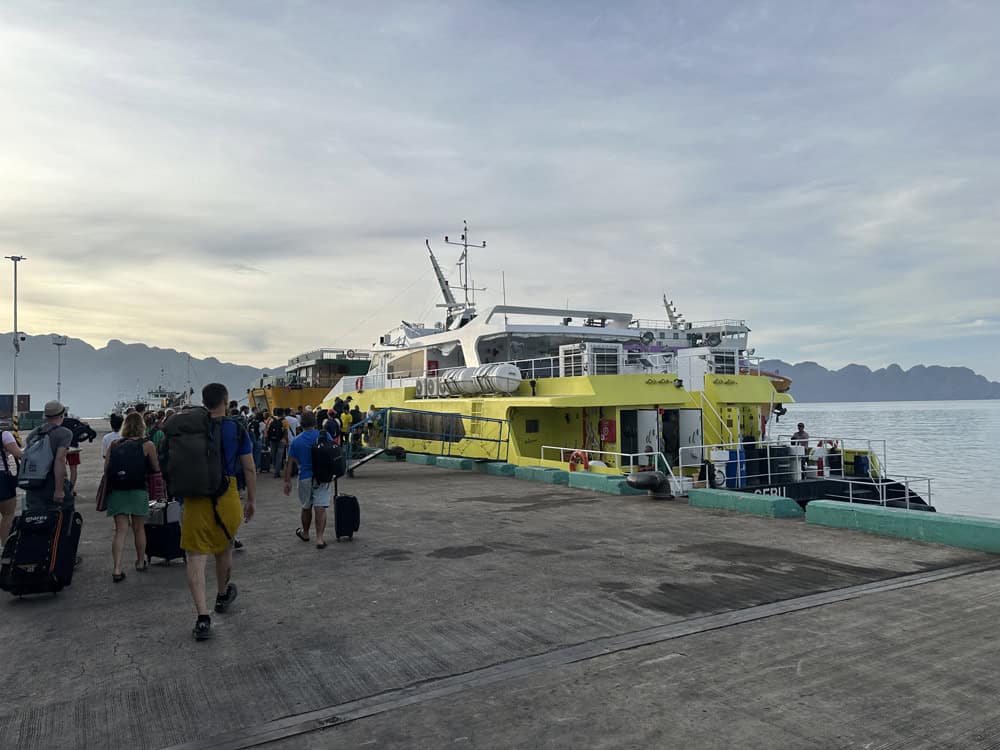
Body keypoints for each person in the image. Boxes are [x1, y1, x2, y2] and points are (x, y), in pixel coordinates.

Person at [173, 383, 256, 641]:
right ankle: (222, 595)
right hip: (227, 494)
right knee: (224, 549)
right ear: (226, 400)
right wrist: (251, 500)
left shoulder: (189, 428)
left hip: (195, 496)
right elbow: (250, 468)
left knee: (196, 557)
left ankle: (202, 617)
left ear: (203, 401)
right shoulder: (236, 428)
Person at [104, 412, 160, 582]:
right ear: (142, 426)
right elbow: (156, 468)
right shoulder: (148, 444)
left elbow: (107, 469)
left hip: (117, 491)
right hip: (138, 490)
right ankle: (141, 561)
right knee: (139, 528)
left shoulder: (114, 444)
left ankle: (117, 568)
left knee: (120, 531)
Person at [283, 412, 331, 548]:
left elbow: (289, 463)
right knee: (320, 507)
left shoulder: (296, 441)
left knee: (306, 507)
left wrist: (287, 481)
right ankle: (320, 539)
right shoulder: (324, 435)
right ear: (315, 423)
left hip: (305, 477)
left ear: (301, 424)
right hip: (322, 476)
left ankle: (305, 533)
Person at [23, 401, 75, 514]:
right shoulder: (64, 433)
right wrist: (59, 490)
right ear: (62, 415)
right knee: (64, 520)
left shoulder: (33, 434)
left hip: (33, 485)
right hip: (52, 483)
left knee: (35, 523)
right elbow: (60, 460)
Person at [0, 421, 24, 547]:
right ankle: (4, 548)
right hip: (2, 480)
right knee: (8, 515)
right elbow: (19, 454)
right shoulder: (4, 435)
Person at [267, 408, 288, 478]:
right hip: (281, 440)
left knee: (273, 455)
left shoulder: (271, 420)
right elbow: (286, 432)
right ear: (282, 413)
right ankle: (277, 472)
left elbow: (267, 430)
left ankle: (274, 469)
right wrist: (286, 440)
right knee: (279, 456)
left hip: (272, 440)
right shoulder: (284, 421)